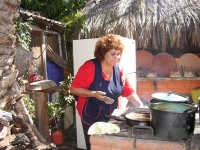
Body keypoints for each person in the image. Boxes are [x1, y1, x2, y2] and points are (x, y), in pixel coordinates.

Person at [70, 34, 144, 150]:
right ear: (103, 53)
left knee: (109, 146)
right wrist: (93, 94)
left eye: (118, 54)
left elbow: (128, 91)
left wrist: (140, 105)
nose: (117, 57)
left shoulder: (119, 69)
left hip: (111, 116)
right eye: (113, 54)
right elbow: (74, 89)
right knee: (95, 146)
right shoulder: (90, 67)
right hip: (91, 115)